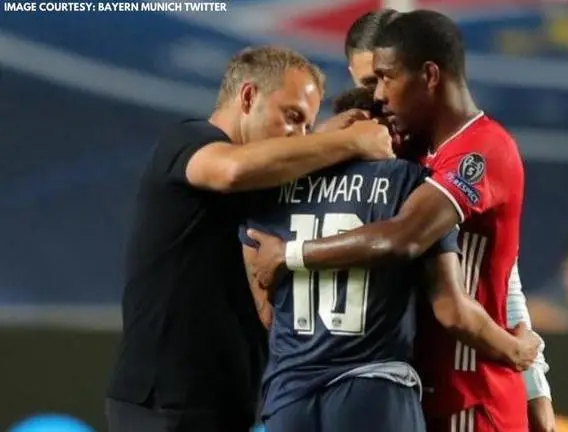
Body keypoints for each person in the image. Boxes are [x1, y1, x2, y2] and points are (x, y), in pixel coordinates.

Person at [245, 11, 554, 432]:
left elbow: (491, 274)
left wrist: (535, 384)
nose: (379, 98)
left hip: (466, 393)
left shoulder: (479, 151)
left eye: (384, 80)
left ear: (426, 74)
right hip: (407, 393)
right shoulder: (403, 156)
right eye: (367, 85)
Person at [105, 46, 393, 432]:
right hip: (164, 405)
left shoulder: (268, 182)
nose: (299, 135)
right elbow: (230, 170)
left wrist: (327, 136)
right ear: (247, 96)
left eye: (307, 125)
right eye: (292, 117)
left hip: (225, 402)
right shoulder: (189, 140)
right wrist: (351, 142)